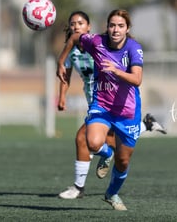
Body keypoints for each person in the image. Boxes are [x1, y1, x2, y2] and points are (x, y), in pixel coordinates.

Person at [57, 11, 165, 201]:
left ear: (127, 29)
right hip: (101, 104)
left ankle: (111, 192)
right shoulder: (94, 42)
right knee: (87, 140)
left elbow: (137, 79)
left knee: (122, 159)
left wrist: (115, 70)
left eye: (120, 26)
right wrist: (60, 62)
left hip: (126, 108)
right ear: (107, 26)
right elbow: (73, 40)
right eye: (112, 25)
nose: (115, 29)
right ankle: (79, 186)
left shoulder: (133, 48)